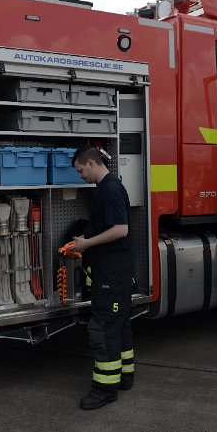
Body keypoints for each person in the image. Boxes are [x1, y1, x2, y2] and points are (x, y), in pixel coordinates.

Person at [68, 146, 134, 410]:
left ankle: (105, 389)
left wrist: (86, 244)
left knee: (104, 329)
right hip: (113, 271)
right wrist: (87, 239)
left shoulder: (110, 189)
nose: (80, 176)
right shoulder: (106, 188)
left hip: (111, 273)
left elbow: (120, 229)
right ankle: (125, 377)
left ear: (92, 163)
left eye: (81, 170)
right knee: (120, 326)